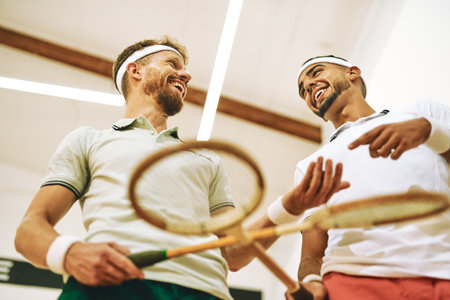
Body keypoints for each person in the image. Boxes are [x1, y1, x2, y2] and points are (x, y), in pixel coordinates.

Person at [14, 37, 349, 300]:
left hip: (206, 292)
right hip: (111, 286)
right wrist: (69, 253)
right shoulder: (88, 140)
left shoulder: (206, 159)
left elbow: (233, 254)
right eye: (173, 63)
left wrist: (289, 208)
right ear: (136, 71)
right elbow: (29, 230)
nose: (187, 75)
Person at [282, 55, 449, 300]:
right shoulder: (309, 166)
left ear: (353, 73)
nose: (308, 87)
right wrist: (311, 281)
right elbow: (312, 255)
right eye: (302, 90)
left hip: (441, 268)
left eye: (316, 72)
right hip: (352, 281)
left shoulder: (423, 113)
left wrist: (428, 130)